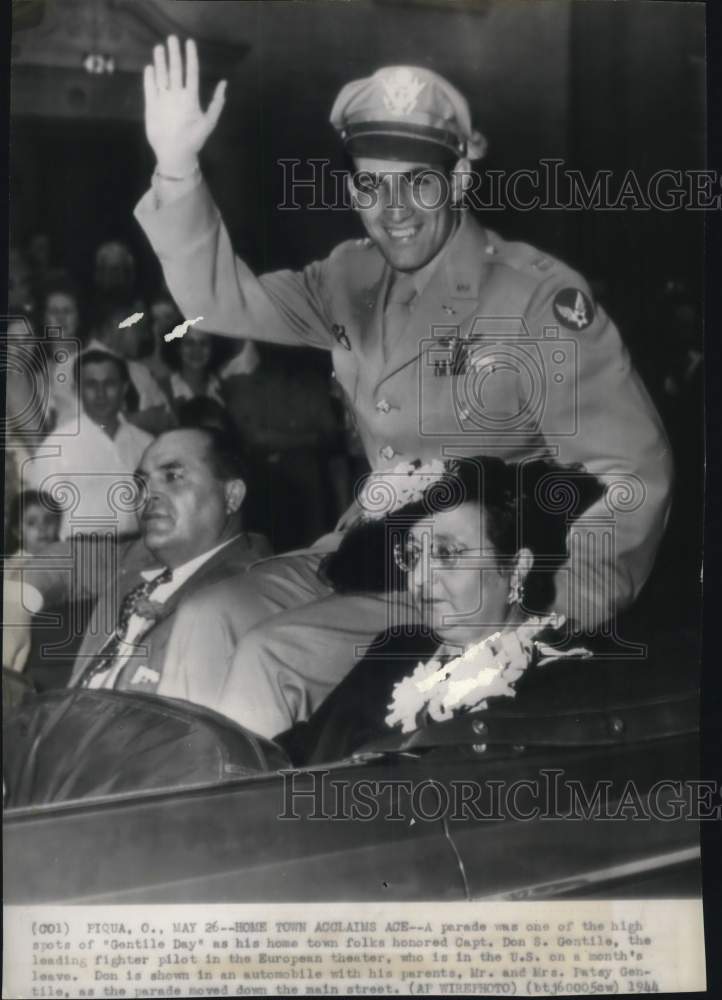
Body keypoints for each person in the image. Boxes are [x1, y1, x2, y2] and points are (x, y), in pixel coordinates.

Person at [134, 39, 672, 714]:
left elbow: (635, 475)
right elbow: (219, 302)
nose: (392, 207)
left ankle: (264, 820)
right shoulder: (347, 276)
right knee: (204, 617)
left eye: (418, 180)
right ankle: (190, 816)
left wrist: (552, 617)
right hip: (360, 550)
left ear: (459, 179)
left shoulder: (534, 300)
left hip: (460, 577)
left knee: (270, 658)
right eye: (369, 182)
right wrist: (178, 168)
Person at [224, 456, 603, 742]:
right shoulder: (398, 648)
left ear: (517, 568)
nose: (419, 579)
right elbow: (300, 748)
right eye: (412, 557)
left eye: (446, 553)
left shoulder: (560, 679)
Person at [12, 427, 271, 708]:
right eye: (142, 483)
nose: (148, 495)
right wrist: (15, 601)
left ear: (231, 495)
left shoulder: (249, 588)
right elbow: (65, 559)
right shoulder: (141, 556)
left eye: (173, 477)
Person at [25, 349, 153, 539]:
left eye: (109, 384)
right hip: (82, 554)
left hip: (140, 551)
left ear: (124, 388)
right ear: (77, 390)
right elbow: (42, 519)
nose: (101, 394)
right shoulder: (56, 446)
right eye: (91, 385)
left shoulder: (147, 444)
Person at [6, 489, 63, 556]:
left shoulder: (62, 554)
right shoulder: (16, 564)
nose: (42, 528)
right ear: (18, 531)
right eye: (31, 523)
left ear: (57, 525)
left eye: (48, 521)